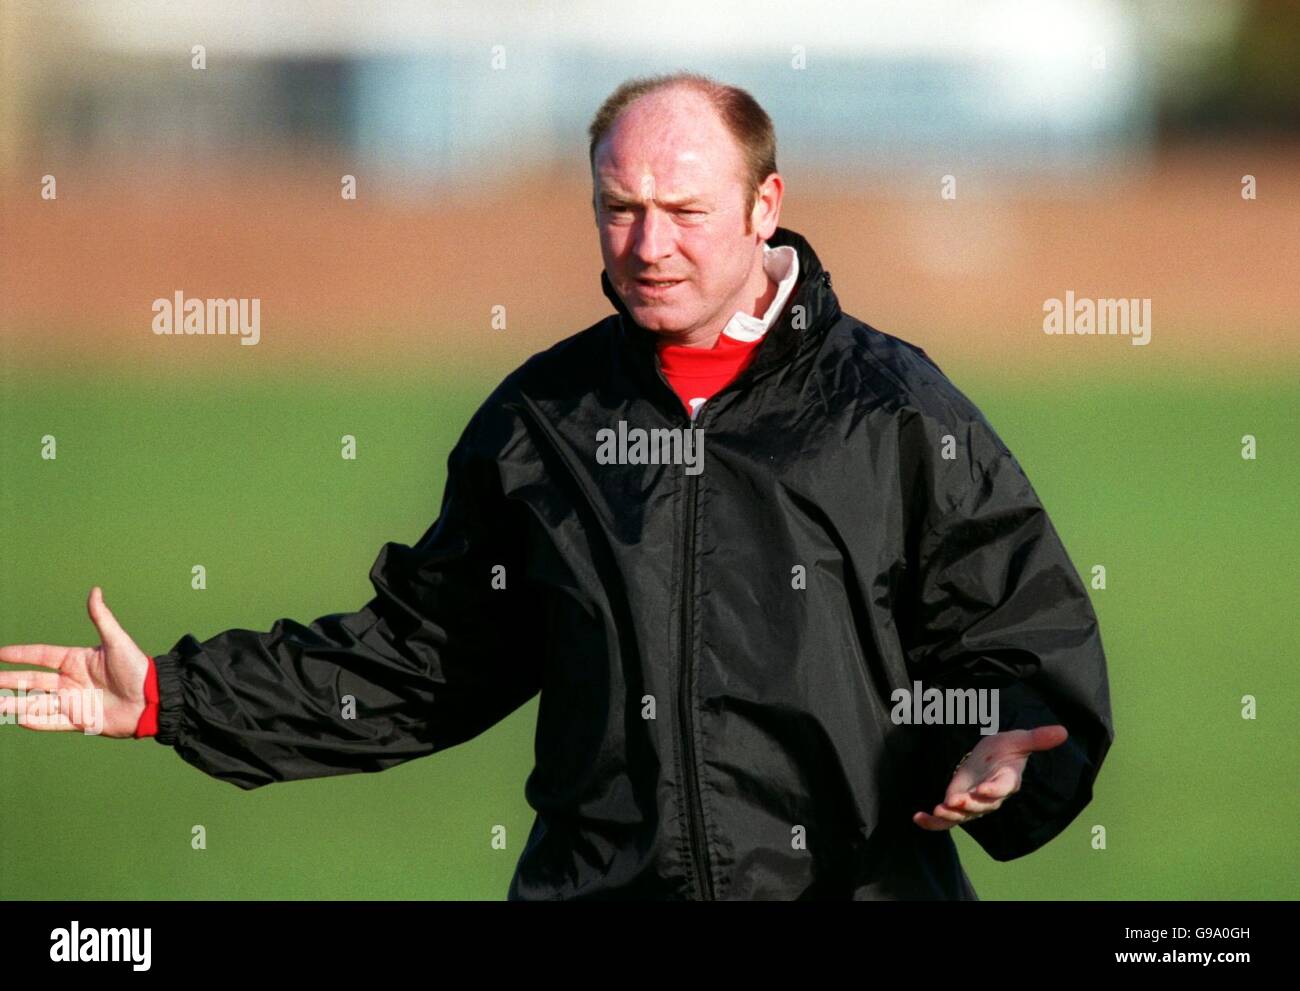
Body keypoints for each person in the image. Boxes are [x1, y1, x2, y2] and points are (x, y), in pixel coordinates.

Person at [0, 71, 1114, 900]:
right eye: (619, 207)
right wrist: (172, 698)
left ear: (763, 206)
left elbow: (1023, 635)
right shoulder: (543, 422)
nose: (648, 244)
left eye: (683, 211)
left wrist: (1009, 731)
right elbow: (423, 661)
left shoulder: (893, 409)